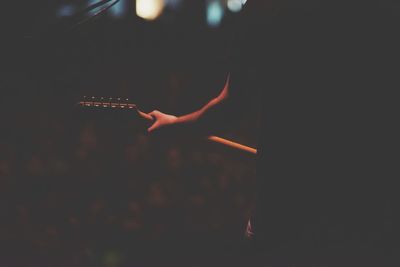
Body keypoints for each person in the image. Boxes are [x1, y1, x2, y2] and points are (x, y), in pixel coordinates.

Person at [147, 1, 399, 265]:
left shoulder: (268, 6)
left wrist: (175, 125)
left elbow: (232, 107)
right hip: (373, 206)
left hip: (286, 209)